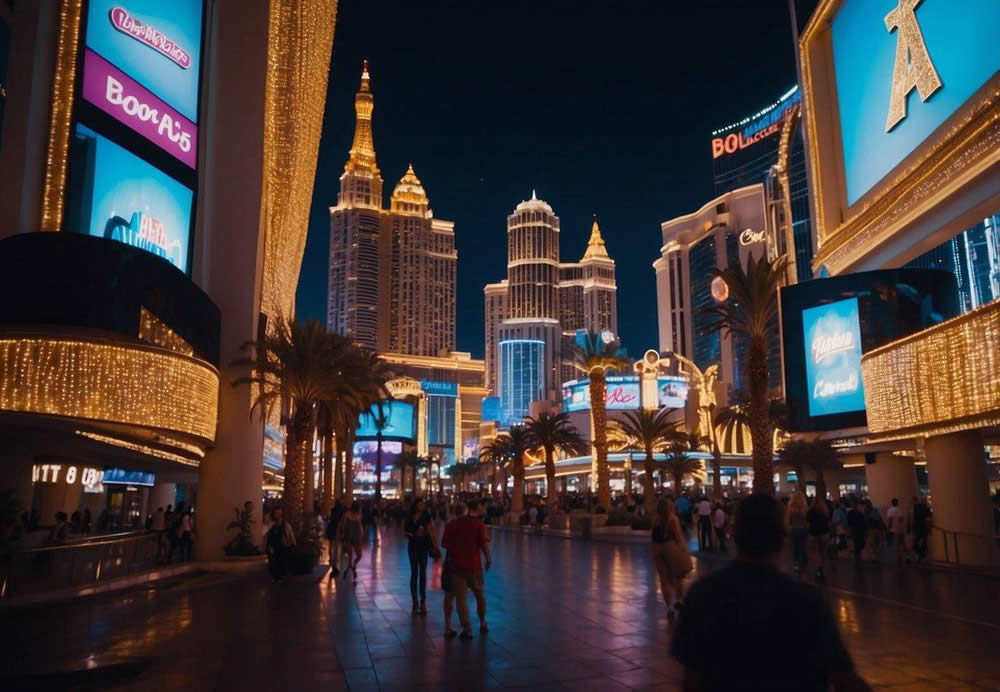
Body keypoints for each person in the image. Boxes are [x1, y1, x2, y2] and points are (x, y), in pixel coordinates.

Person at [671, 494, 872, 692]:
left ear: (736, 534)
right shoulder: (808, 601)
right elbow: (843, 677)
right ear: (781, 537)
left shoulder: (703, 595)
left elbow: (691, 679)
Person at [441, 499, 491, 639]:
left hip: (456, 566)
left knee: (460, 600)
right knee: (479, 594)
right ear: (467, 510)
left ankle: (467, 630)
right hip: (474, 566)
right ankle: (482, 622)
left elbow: (445, 544)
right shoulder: (478, 524)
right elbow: (483, 545)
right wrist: (488, 559)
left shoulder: (451, 525)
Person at [650, 497, 691, 618]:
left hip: (657, 548)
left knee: (663, 579)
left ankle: (669, 607)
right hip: (670, 547)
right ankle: (679, 600)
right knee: (678, 575)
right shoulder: (672, 519)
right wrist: (683, 549)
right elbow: (678, 537)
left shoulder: (655, 520)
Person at [404, 498, 436, 614]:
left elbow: (431, 531)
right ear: (415, 505)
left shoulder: (426, 516)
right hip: (413, 545)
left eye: (423, 504)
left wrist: (435, 546)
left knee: (422, 573)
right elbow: (404, 532)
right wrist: (412, 534)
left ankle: (423, 602)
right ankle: (414, 601)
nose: (421, 506)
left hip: (423, 545)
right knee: (414, 573)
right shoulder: (409, 516)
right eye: (419, 504)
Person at [265, 507, 295, 581]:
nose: (278, 515)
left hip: (283, 549)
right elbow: (268, 537)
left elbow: (291, 537)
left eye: (279, 513)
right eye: (276, 513)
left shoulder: (286, 525)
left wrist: (290, 544)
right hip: (274, 549)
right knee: (274, 566)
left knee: (283, 565)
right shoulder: (271, 525)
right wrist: (269, 547)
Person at [339, 501, 364, 584]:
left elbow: (360, 526)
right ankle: (352, 572)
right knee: (350, 555)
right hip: (348, 537)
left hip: (356, 537)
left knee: (359, 555)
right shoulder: (347, 515)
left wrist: (361, 533)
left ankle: (352, 566)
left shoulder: (357, 515)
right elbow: (342, 525)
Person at [806, 498, 831, 580]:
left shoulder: (810, 511)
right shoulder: (825, 512)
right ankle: (822, 569)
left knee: (815, 552)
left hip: (813, 533)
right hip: (824, 533)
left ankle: (818, 569)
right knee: (823, 552)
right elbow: (828, 522)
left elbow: (807, 522)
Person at [787, 492, 809, 575]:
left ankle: (796, 563)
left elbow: (788, 520)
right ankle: (803, 562)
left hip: (793, 530)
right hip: (802, 530)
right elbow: (805, 521)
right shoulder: (804, 508)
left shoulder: (791, 508)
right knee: (802, 546)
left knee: (795, 547)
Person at [325, 499, 346, 579]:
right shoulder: (342, 512)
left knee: (332, 549)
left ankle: (333, 566)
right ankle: (336, 567)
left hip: (331, 531)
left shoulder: (333, 511)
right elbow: (342, 523)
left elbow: (330, 519)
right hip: (337, 532)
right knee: (337, 550)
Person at [886, 498, 907, 565]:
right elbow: (902, 519)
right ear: (897, 503)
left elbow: (890, 520)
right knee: (902, 544)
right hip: (900, 530)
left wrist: (888, 528)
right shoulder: (900, 510)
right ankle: (906, 557)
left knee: (896, 545)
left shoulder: (890, 510)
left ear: (892, 503)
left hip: (893, 530)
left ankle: (898, 559)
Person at [911, 496, 931, 562]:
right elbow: (928, 517)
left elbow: (914, 518)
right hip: (923, 527)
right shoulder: (925, 508)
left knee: (916, 544)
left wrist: (913, 526)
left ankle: (921, 555)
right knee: (923, 542)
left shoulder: (916, 507)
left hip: (919, 527)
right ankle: (922, 556)